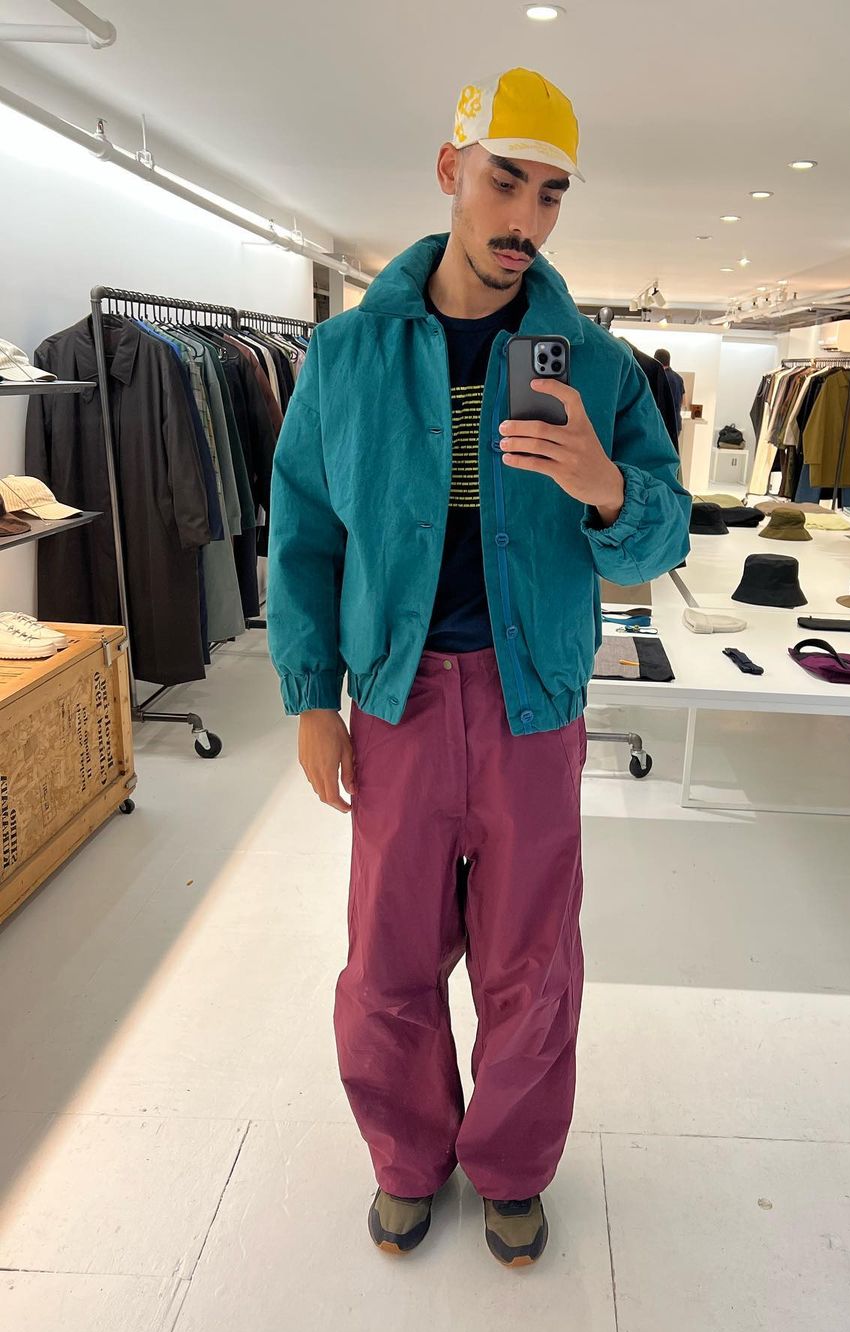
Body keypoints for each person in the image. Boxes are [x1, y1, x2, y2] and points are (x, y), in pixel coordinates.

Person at [267, 67, 691, 1270]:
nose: (526, 219)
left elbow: (662, 536)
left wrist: (604, 488)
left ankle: (510, 1167)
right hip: (396, 697)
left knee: (531, 959)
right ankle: (408, 1157)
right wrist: (310, 696)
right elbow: (303, 532)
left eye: (552, 194)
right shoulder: (347, 355)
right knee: (388, 955)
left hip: (532, 702)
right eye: (507, 182)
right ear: (451, 170)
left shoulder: (596, 367)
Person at [654, 347, 687, 418]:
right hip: (676, 421)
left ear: (656, 361)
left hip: (663, 421)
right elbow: (683, 402)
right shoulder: (679, 378)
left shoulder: (658, 377)